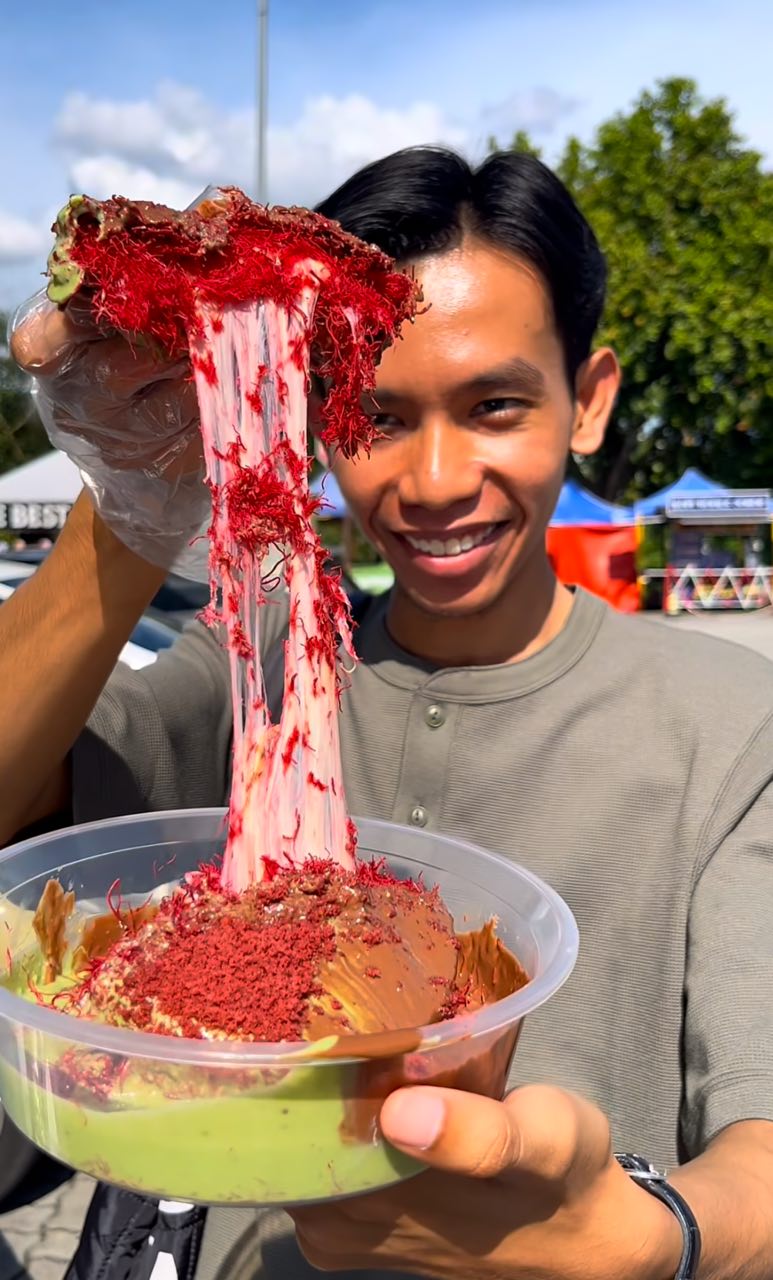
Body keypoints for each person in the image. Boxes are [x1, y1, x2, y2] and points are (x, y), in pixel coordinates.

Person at [4, 146, 773, 1280]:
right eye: (374, 413)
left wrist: (659, 1238)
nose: (433, 481)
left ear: (590, 400)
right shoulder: (264, 668)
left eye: (495, 405)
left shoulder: (729, 727)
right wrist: (127, 501)